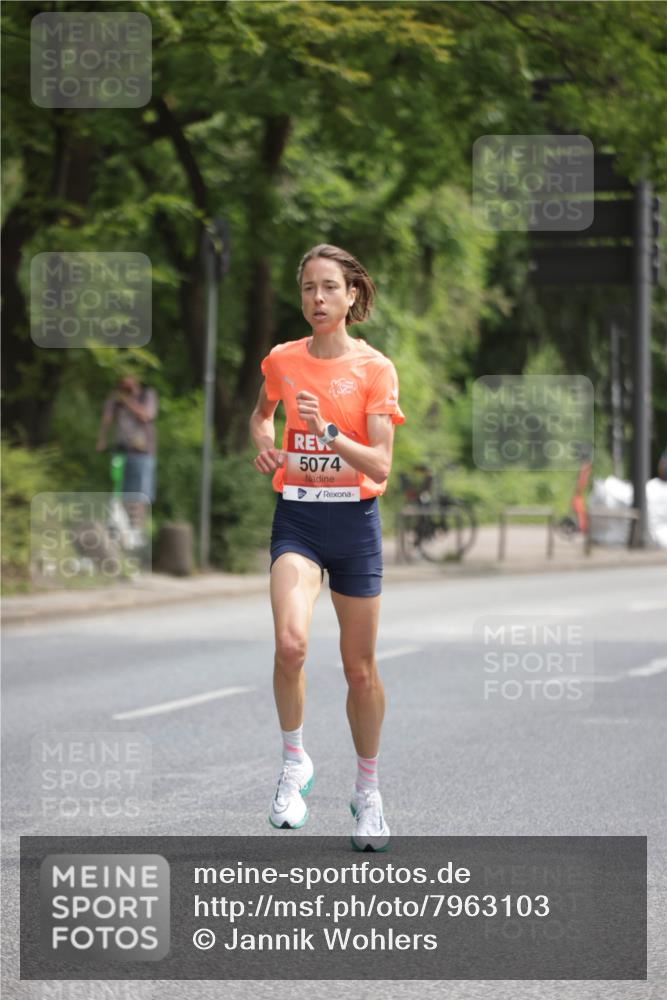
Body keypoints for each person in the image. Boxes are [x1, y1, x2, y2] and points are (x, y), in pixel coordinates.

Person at [249, 244, 405, 851]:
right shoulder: (283, 360)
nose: (318, 298)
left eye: (330, 288)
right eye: (309, 287)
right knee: (290, 645)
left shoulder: (375, 369)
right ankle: (295, 763)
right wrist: (266, 440)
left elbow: (381, 462)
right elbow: (261, 414)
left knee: (359, 669)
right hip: (299, 521)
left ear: (351, 297)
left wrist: (327, 432)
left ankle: (368, 792)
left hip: (355, 526)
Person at [96, 375, 158, 530]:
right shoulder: (116, 398)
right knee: (120, 491)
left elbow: (146, 416)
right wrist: (102, 439)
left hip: (142, 453)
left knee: (139, 495)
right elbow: (107, 419)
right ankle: (121, 528)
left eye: (127, 383)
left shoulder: (146, 395)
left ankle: (137, 530)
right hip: (121, 452)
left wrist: (127, 402)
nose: (124, 387)